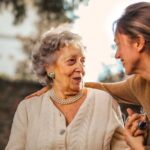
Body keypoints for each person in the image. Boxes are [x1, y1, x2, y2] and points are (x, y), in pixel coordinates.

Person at [26, 2, 150, 149]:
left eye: (118, 44)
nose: (117, 55)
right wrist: (58, 83)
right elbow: (104, 88)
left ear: (138, 42)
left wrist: (138, 146)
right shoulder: (139, 84)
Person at [5, 29, 130, 150]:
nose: (81, 69)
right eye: (71, 61)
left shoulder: (104, 102)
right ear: (49, 68)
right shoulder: (28, 109)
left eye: (82, 61)